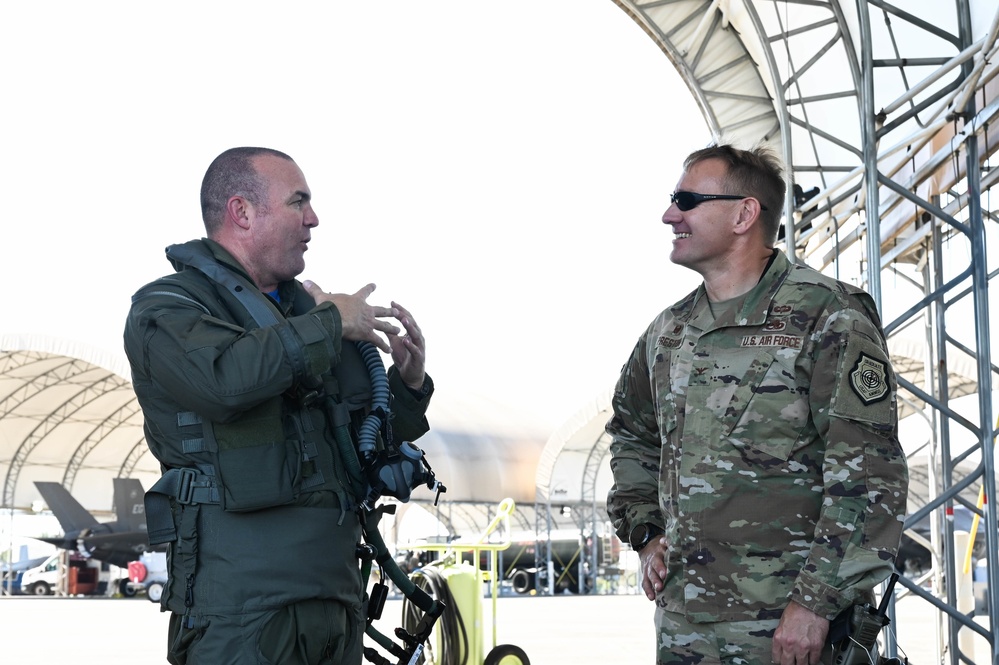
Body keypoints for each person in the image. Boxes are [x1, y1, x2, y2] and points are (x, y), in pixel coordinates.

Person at [123, 147, 433, 665]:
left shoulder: (305, 317)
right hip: (242, 616)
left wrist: (406, 383)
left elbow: (366, 445)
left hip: (334, 607)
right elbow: (222, 381)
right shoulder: (168, 307)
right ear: (242, 212)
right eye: (298, 202)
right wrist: (329, 323)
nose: (313, 219)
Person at [605, 144, 908, 665]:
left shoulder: (827, 316)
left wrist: (814, 604)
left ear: (745, 213)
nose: (669, 214)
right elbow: (632, 433)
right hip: (683, 625)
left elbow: (867, 477)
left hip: (787, 630)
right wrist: (646, 530)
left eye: (687, 199)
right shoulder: (668, 332)